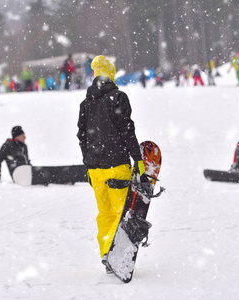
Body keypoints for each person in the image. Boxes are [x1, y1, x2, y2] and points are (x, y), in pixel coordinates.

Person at [77, 55, 148, 273]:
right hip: (117, 165)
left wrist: (88, 163)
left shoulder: (86, 102)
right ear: (111, 74)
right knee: (120, 213)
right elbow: (127, 131)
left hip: (95, 169)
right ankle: (118, 256)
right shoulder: (118, 97)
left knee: (104, 214)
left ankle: (107, 254)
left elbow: (82, 136)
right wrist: (139, 161)